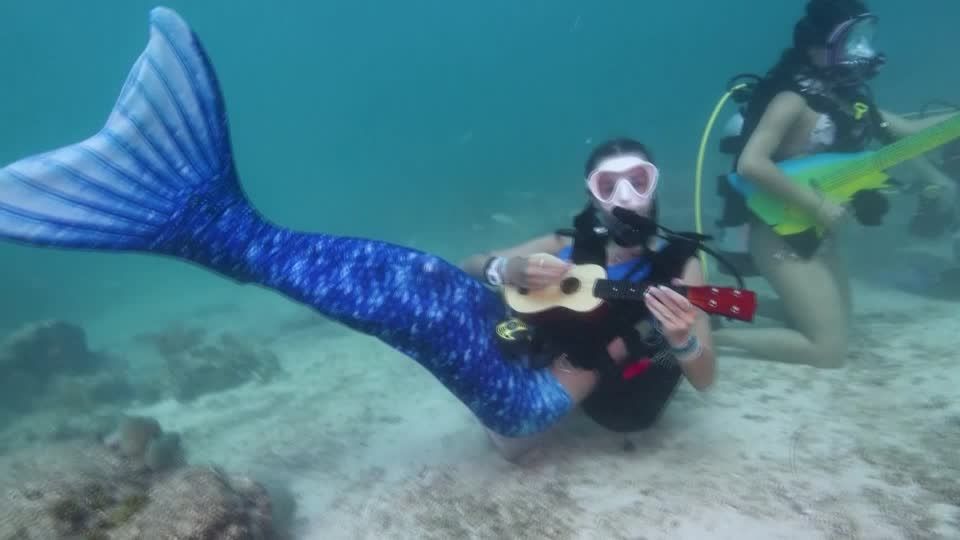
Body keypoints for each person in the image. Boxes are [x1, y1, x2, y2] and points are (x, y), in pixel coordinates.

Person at [0, 7, 716, 460]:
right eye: (608, 183)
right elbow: (469, 265)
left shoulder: (682, 262)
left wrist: (683, 337)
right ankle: (220, 228)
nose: (625, 196)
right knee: (433, 282)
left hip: (579, 402)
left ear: (656, 184)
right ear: (591, 193)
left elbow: (706, 376)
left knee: (508, 430)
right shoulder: (573, 241)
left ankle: (212, 227)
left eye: (639, 179)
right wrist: (504, 271)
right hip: (531, 361)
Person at [711, 0, 958, 368]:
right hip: (781, 235)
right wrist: (816, 205)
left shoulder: (849, 101)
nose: (861, 50)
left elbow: (909, 134)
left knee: (838, 323)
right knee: (828, 350)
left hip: (817, 232)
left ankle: (716, 301)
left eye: (865, 38)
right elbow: (751, 163)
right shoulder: (790, 99)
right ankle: (714, 336)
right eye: (850, 40)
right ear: (815, 48)